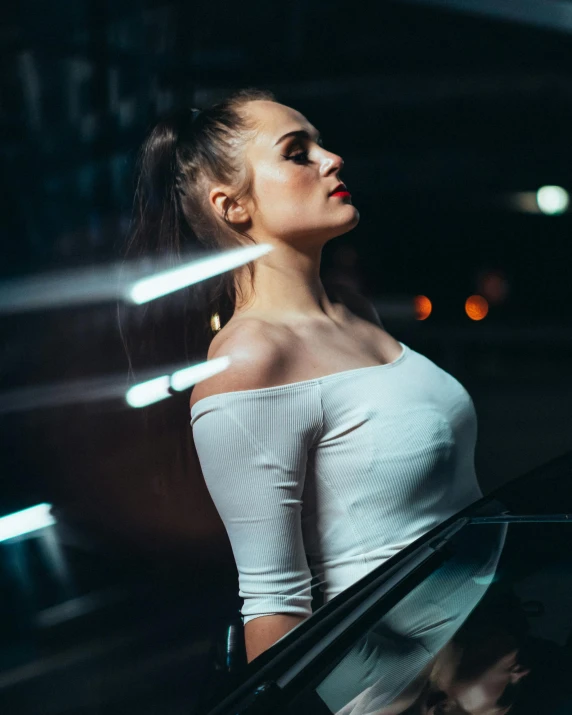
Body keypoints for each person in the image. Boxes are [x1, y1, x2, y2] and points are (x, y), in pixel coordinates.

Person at [130, 88, 484, 664]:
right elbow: (275, 603)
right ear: (233, 206)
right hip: (400, 688)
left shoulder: (355, 313)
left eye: (320, 144)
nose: (332, 159)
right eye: (298, 153)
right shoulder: (249, 359)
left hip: (482, 666)